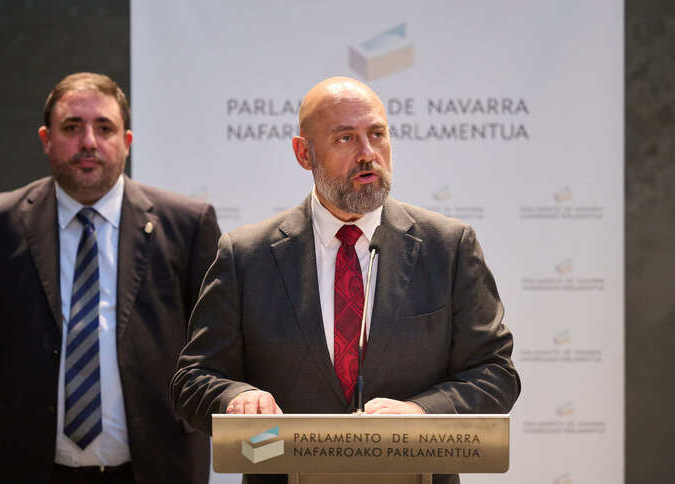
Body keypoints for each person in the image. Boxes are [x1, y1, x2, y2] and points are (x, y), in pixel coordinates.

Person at [171, 77, 520, 483]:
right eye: (344, 139)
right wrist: (236, 397)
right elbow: (192, 379)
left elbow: (496, 371)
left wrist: (422, 413)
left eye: (377, 134)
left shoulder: (447, 247)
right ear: (304, 153)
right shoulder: (246, 255)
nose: (368, 154)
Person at [0, 72, 220, 483]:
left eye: (105, 128)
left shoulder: (186, 224)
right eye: (72, 128)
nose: (89, 142)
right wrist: (26, 391)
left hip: (157, 465)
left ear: (127, 143)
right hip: (29, 465)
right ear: (46, 139)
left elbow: (212, 341)